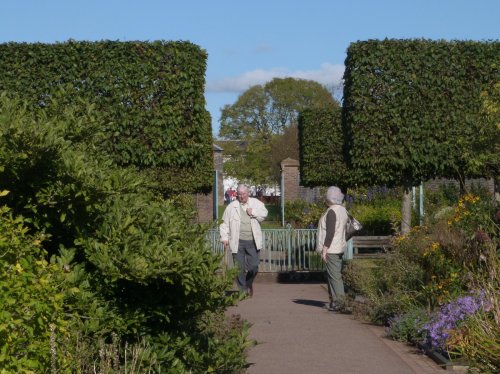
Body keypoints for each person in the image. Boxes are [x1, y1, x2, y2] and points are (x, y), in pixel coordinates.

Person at [220, 184, 268, 296]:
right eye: (240, 194)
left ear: (248, 193)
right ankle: (242, 290)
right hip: (237, 242)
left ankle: (248, 283)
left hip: (253, 241)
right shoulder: (231, 207)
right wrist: (224, 237)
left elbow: (265, 214)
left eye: (244, 194)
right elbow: (224, 224)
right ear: (237, 194)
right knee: (238, 268)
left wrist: (254, 213)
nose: (242, 196)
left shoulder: (255, 203)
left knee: (254, 266)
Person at [316, 186, 349, 311]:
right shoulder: (342, 210)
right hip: (339, 246)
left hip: (332, 249)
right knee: (333, 275)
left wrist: (325, 249)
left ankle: (340, 303)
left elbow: (330, 233)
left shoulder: (332, 211)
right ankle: (335, 301)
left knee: (335, 276)